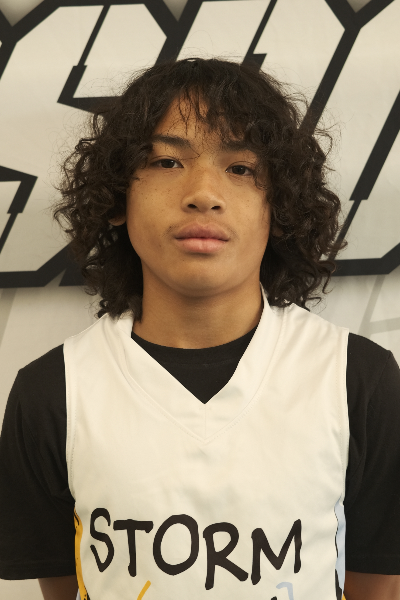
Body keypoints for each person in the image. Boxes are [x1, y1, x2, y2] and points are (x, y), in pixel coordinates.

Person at [0, 58, 399, 600]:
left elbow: (378, 585)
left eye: (241, 168)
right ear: (117, 197)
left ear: (279, 204)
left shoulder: (358, 379)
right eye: (167, 161)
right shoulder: (53, 391)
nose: (203, 193)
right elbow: (67, 588)